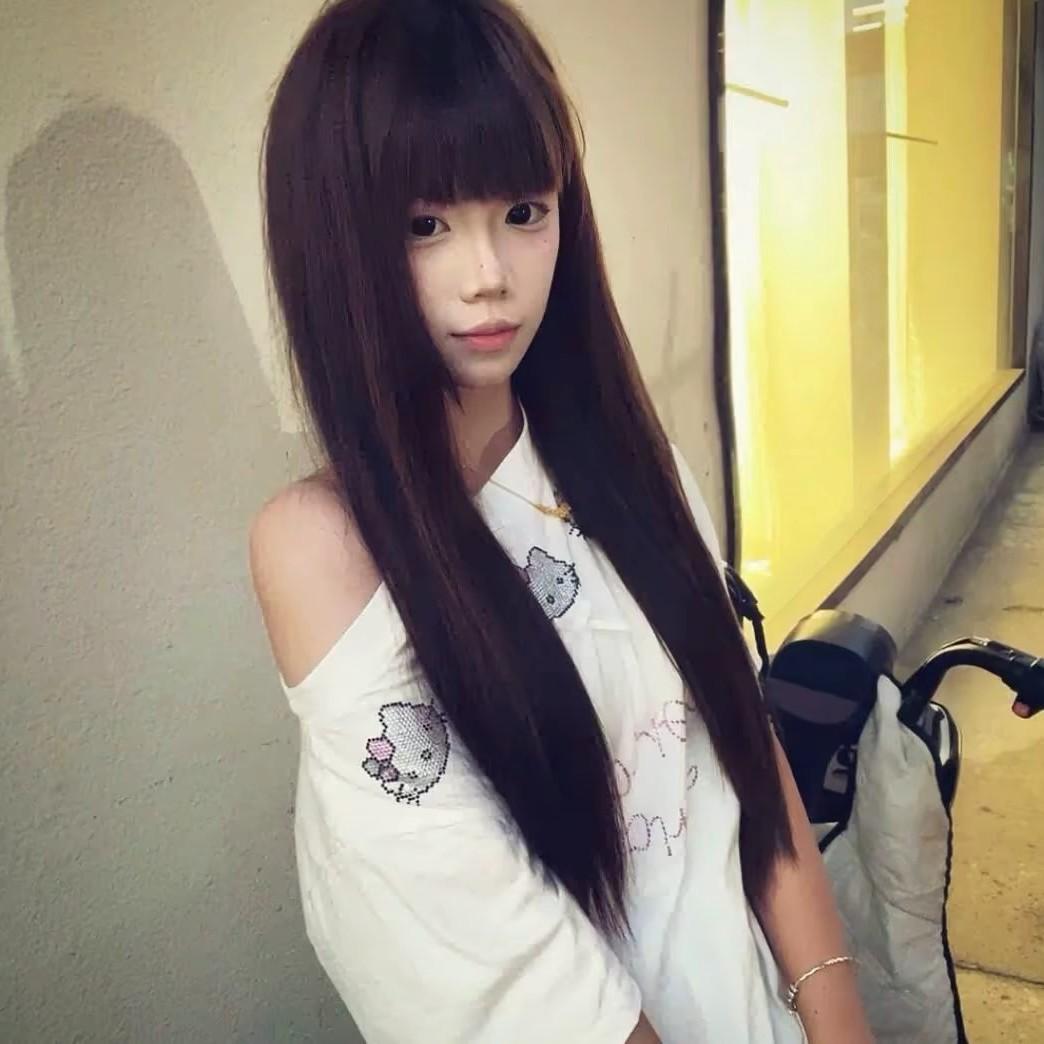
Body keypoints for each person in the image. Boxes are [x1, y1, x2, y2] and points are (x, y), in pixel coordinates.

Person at [248, 1, 875, 1041]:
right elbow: (508, 969)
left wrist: (838, 1016)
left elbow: (739, 740)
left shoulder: (625, 461)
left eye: (523, 211)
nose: (488, 274)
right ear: (335, 241)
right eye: (424, 225)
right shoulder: (324, 548)